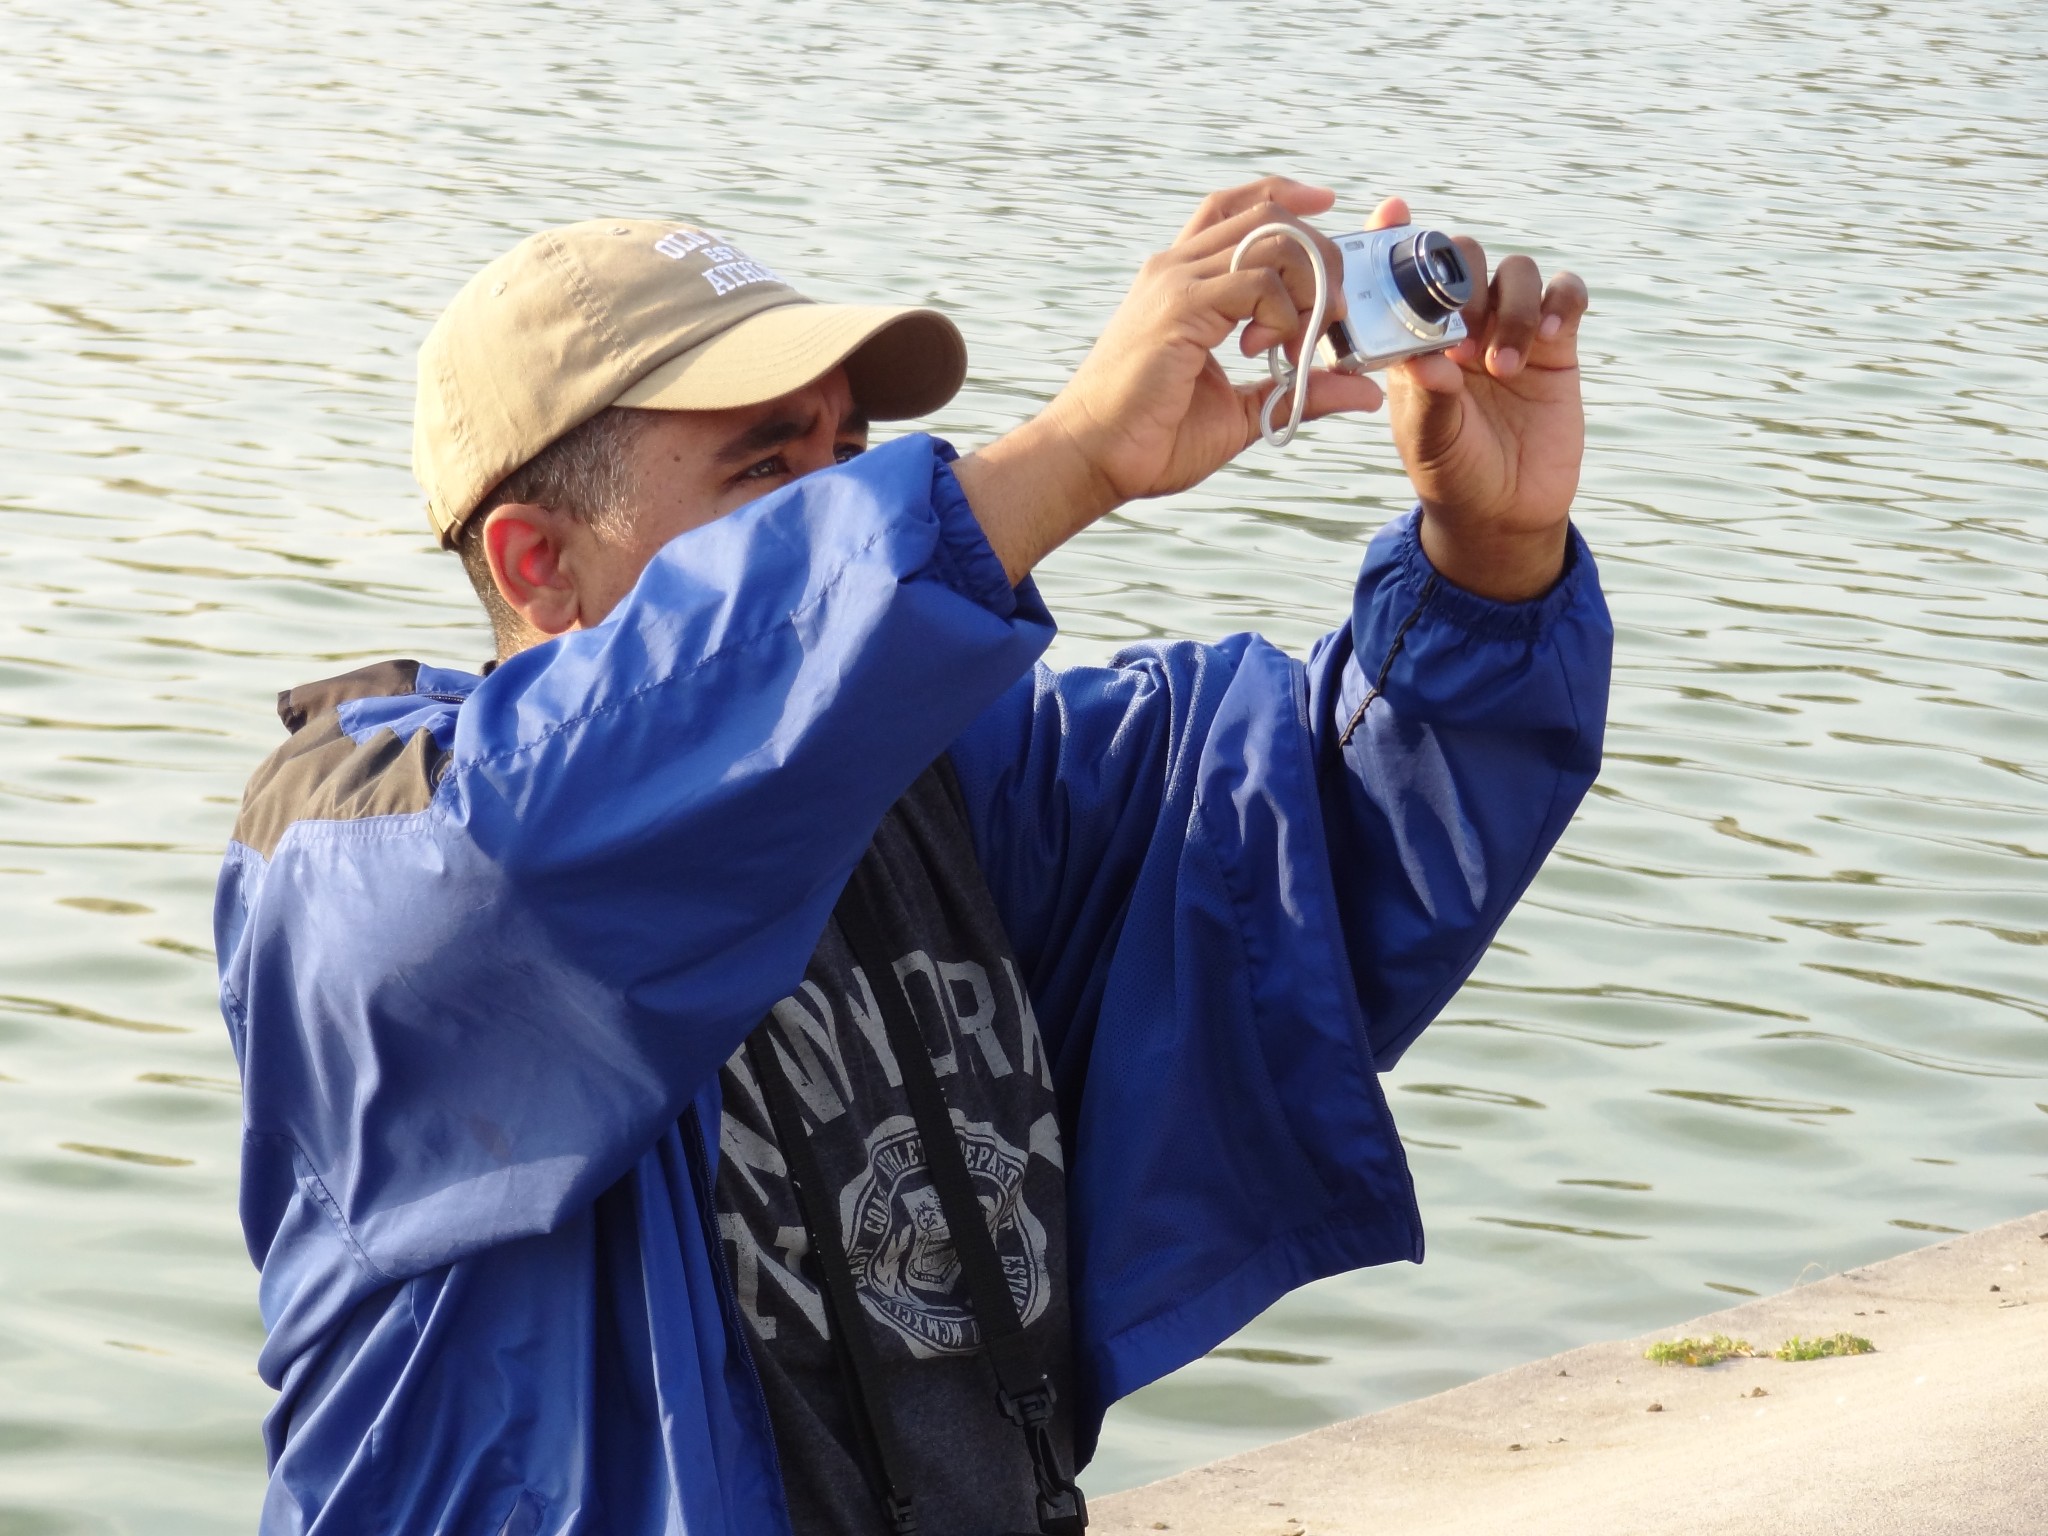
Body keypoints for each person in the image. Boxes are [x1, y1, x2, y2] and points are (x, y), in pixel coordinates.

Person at [215, 177, 1609, 1536]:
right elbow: (520, 839)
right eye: (770, 465)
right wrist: (1064, 457)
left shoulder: (950, 782)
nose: (856, 494)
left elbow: (1301, 855)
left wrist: (1491, 554)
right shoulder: (370, 851)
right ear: (537, 565)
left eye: (854, 449)